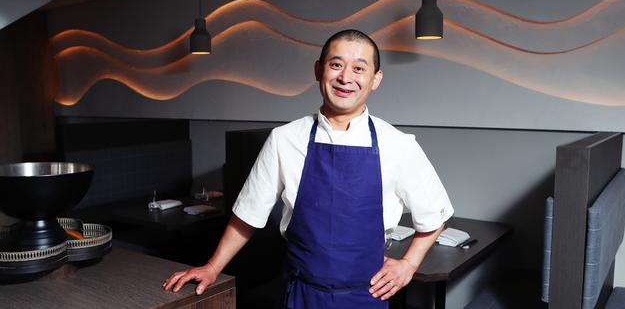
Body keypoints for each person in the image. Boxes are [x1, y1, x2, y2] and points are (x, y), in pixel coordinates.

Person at [163, 29, 453, 308]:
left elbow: (436, 213)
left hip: (365, 297)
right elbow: (247, 215)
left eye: (359, 69)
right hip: (299, 293)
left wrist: (409, 264)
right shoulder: (284, 139)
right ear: (318, 71)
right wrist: (212, 268)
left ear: (375, 79)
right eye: (336, 65)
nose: (345, 78)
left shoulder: (398, 144)